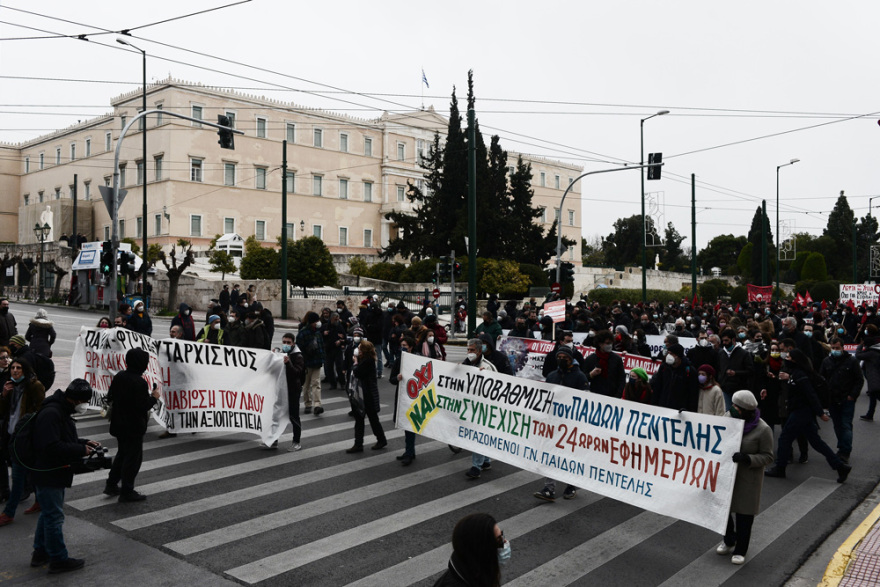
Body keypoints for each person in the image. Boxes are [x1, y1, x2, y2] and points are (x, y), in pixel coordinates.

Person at [30, 379, 100, 573]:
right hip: (47, 472)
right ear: (76, 400)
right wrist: (80, 450)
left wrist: (84, 442)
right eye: (84, 402)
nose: (85, 406)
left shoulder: (61, 410)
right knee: (54, 517)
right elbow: (50, 446)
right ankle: (58, 559)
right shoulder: (52, 413)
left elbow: (60, 437)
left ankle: (40, 552)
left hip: (52, 471)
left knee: (48, 514)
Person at [765, 349, 852, 482]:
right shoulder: (794, 373)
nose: (785, 358)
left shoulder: (800, 375)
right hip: (800, 412)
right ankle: (840, 467)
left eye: (788, 357)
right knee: (816, 442)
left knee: (784, 438)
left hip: (802, 412)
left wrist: (821, 413)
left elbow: (811, 395)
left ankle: (780, 468)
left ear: (794, 360)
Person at [715, 390, 774, 565]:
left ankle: (741, 549)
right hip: (727, 475)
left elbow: (768, 456)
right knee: (724, 511)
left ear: (746, 410)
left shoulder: (763, 429)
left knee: (744, 517)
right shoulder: (728, 419)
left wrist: (748, 458)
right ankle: (728, 540)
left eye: (736, 407)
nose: (732, 409)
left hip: (748, 479)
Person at [105, 349, 160, 502]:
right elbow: (142, 406)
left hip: (118, 424)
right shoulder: (139, 382)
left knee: (122, 454)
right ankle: (127, 490)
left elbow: (111, 396)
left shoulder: (120, 376)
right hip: (133, 427)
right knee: (133, 459)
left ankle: (111, 484)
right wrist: (154, 397)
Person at [533, 346, 586, 502]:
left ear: (571, 359)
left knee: (569, 456)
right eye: (559, 357)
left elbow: (586, 401)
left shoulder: (580, 377)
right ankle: (549, 488)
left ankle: (571, 485)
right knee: (550, 454)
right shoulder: (552, 376)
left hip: (571, 424)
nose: (561, 360)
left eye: (565, 357)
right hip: (553, 423)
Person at [0, 359, 45, 526]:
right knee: (29, 473)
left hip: (25, 438)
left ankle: (8, 512)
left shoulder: (34, 386)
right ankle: (39, 501)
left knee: (18, 477)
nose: (15, 371)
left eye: (19, 368)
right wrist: (3, 395)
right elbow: (2, 412)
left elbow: (40, 411)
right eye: (13, 368)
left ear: (25, 370)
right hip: (11, 434)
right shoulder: (9, 386)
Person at [819, 337, 863, 464]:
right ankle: (841, 447)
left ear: (843, 347)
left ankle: (845, 451)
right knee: (838, 425)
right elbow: (822, 380)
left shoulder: (851, 361)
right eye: (833, 348)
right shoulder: (826, 361)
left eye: (837, 348)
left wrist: (852, 395)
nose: (835, 350)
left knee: (846, 425)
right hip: (832, 399)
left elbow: (859, 380)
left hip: (847, 398)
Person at [434, 512, 507, 587]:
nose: (505, 542)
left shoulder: (475, 571)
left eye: (502, 535)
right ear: (482, 550)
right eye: (498, 539)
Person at [463, 339, 497, 479]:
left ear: (478, 351)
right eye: (468, 350)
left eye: (472, 350)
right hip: (472, 405)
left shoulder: (487, 367)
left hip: (484, 407)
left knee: (478, 436)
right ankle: (486, 461)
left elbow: (496, 387)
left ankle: (476, 467)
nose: (469, 353)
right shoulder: (466, 363)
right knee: (480, 435)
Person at [346, 340, 387, 453]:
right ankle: (359, 444)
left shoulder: (367, 361)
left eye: (359, 348)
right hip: (363, 394)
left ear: (363, 351)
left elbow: (357, 372)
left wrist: (355, 363)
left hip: (367, 395)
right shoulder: (365, 360)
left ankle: (380, 440)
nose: (357, 350)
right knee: (361, 419)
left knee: (372, 419)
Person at [393, 336, 418, 466]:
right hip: (402, 396)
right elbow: (392, 379)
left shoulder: (417, 360)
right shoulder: (399, 360)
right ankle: (410, 451)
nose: (403, 347)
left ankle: (409, 453)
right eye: (401, 345)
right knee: (405, 424)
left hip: (414, 397)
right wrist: (397, 378)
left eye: (405, 345)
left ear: (411, 347)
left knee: (410, 425)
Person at [650, 343, 699, 411]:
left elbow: (693, 394)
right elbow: (658, 387)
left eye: (671, 353)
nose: (669, 355)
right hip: (662, 407)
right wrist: (654, 404)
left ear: (678, 356)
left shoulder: (689, 371)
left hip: (679, 411)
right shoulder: (664, 367)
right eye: (668, 353)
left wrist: (689, 411)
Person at [717, 329, 753, 411]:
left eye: (726, 340)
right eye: (723, 341)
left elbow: (750, 371)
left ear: (733, 340)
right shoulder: (721, 353)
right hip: (725, 389)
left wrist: (736, 373)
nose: (724, 343)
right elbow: (719, 369)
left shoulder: (744, 354)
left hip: (739, 389)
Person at [297, 312, 325, 416]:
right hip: (307, 362)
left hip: (317, 362)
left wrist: (322, 358)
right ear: (312, 322)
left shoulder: (317, 332)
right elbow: (299, 349)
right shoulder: (303, 333)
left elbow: (322, 346)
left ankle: (317, 405)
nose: (318, 323)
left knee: (316, 383)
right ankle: (308, 404)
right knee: (306, 385)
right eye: (316, 321)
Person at [583, 330, 625, 398]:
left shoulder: (617, 359)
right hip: (594, 396)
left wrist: (618, 395)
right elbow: (583, 379)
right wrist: (591, 375)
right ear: (600, 344)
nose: (610, 345)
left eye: (611, 343)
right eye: (607, 343)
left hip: (612, 396)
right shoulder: (590, 359)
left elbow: (622, 379)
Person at [281, 333, 304, 452]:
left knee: (294, 416)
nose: (285, 345)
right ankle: (273, 440)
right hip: (283, 388)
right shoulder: (284, 353)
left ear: (293, 343)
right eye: (284, 342)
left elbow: (297, 373)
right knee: (277, 415)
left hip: (293, 389)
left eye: (288, 343)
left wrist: (288, 363)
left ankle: (296, 442)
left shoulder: (298, 356)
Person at [856, 324, 880, 421]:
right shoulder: (876, 351)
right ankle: (869, 414)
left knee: (876, 395)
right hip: (874, 377)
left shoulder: (871, 353)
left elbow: (859, 355)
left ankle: (870, 414)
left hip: (874, 378)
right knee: (873, 398)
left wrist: (860, 346)